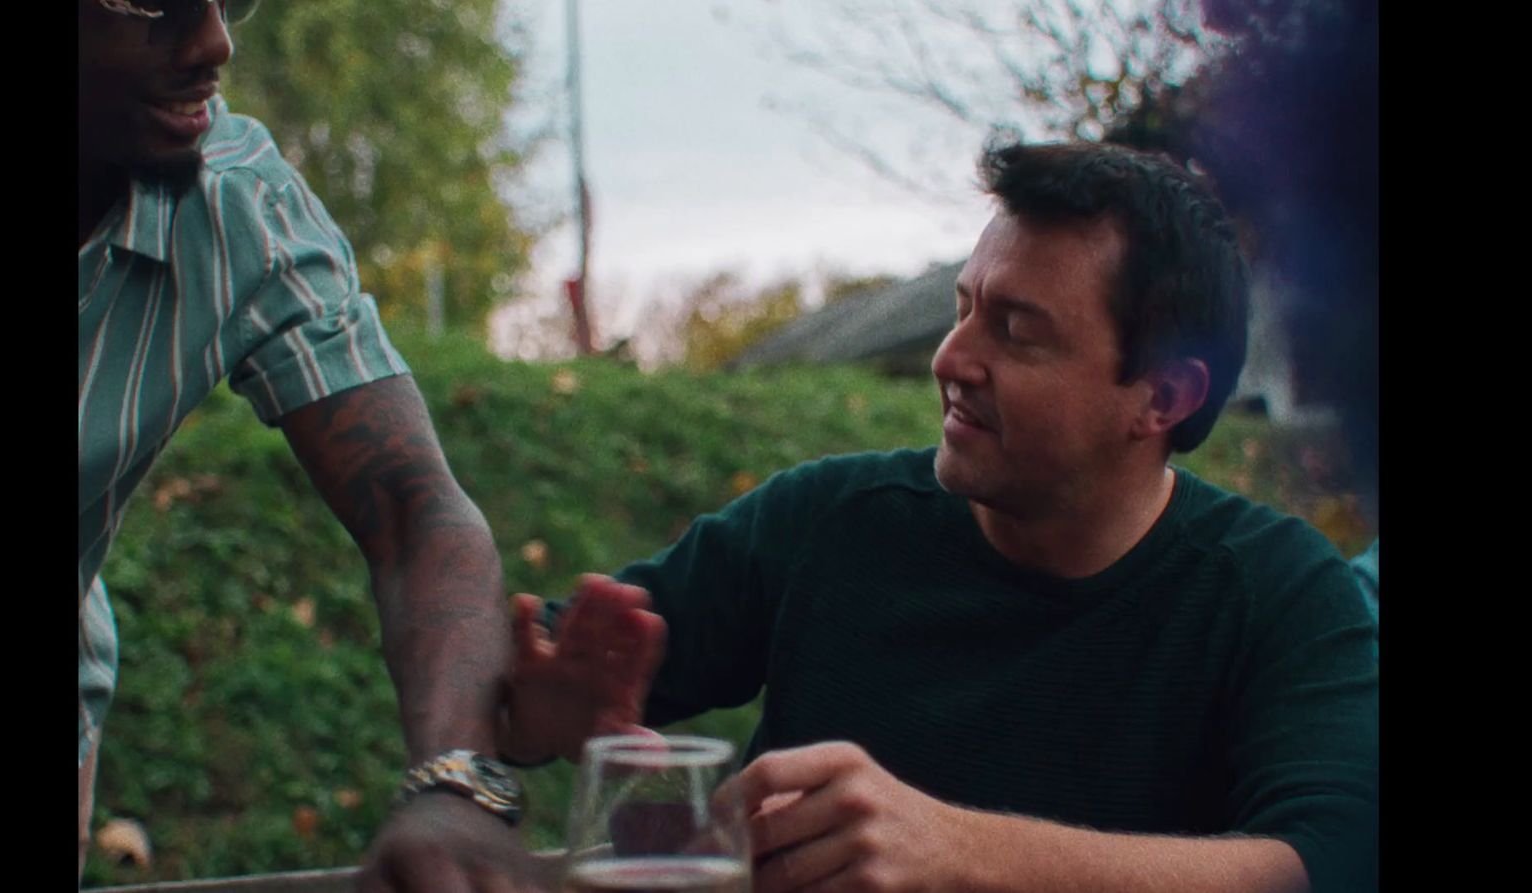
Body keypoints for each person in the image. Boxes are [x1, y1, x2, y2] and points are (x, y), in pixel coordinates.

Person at [503, 141, 1378, 893]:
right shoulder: (828, 522)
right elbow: (543, 665)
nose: (953, 358)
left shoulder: (1279, 591)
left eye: (1017, 331)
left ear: (1162, 394)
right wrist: (529, 718)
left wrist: (960, 851)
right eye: (964, 308)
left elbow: (1332, 859)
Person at [79, 3, 610, 889]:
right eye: (155, 4)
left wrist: (456, 782)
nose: (215, 42)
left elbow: (415, 511)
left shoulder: (237, 201)